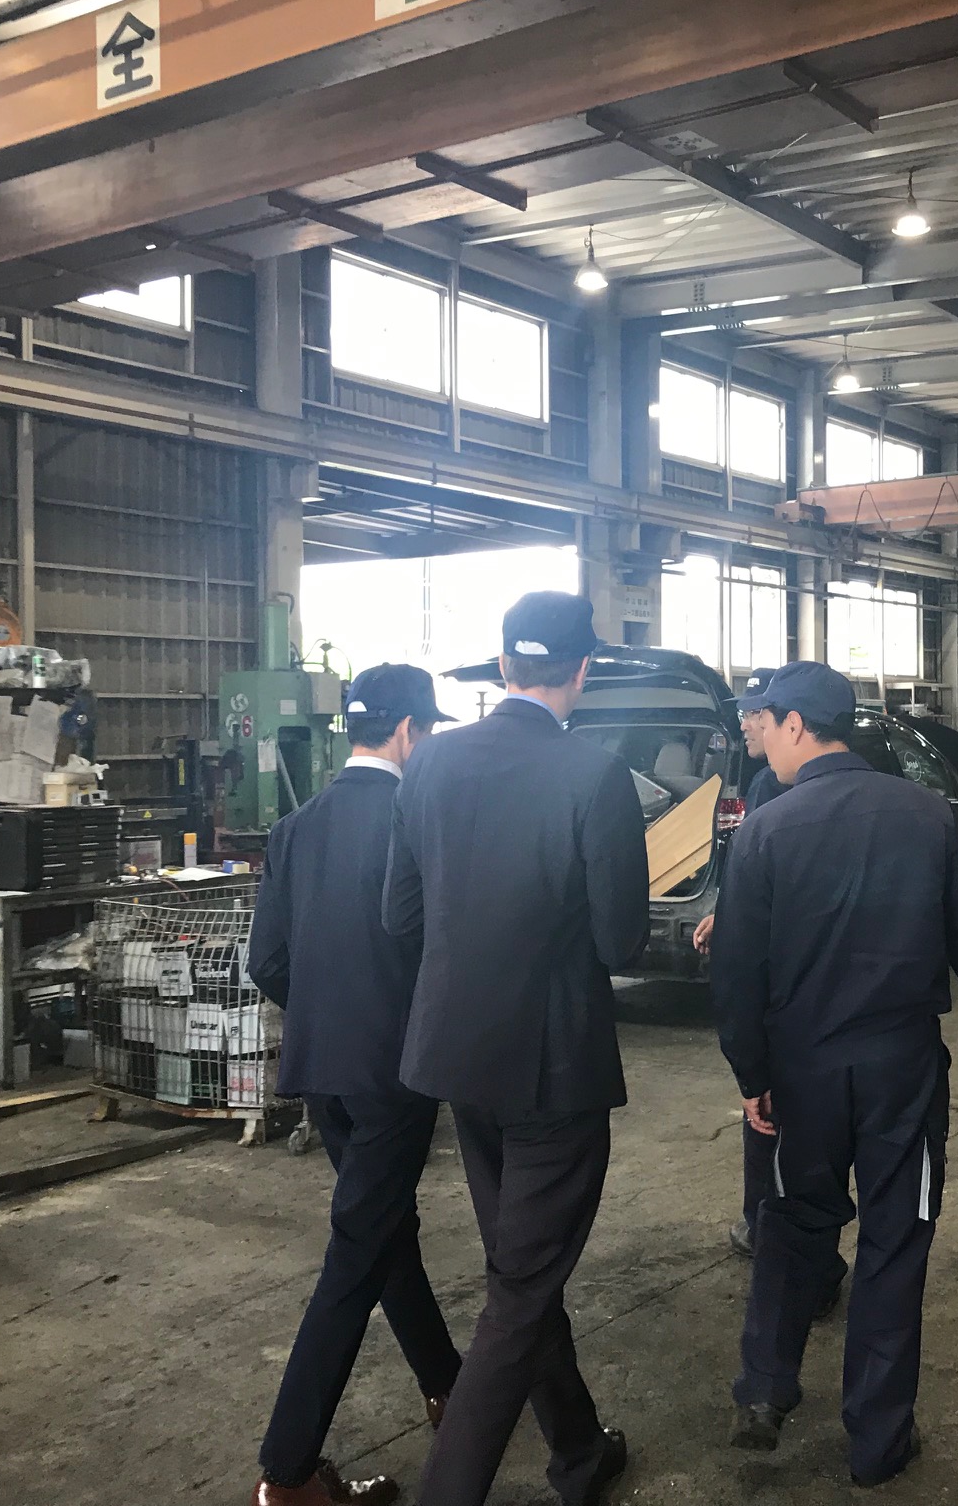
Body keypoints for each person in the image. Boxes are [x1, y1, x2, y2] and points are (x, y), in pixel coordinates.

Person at [709, 660, 958, 1488]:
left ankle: (764, 1390)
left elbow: (737, 971)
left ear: (796, 725)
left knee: (792, 1219)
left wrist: (751, 1073)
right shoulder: (926, 815)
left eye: (765, 722)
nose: (760, 738)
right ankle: (878, 1441)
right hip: (899, 1068)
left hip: (803, 1067)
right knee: (894, 1237)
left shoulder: (767, 830)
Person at [385, 592, 646, 1506]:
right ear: (584, 670)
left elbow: (401, 915)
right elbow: (620, 942)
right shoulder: (595, 776)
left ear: (502, 667)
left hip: (459, 1058)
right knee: (519, 1293)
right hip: (552, 1068)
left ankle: (577, 1450)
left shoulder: (430, 762)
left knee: (523, 1272)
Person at [245, 664, 463, 1506]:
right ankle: (289, 1470)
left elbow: (267, 960)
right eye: (429, 730)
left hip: (321, 1071)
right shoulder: (419, 822)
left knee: (384, 1229)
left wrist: (325, 1015)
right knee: (356, 1253)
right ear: (409, 731)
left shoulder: (295, 827)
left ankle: (448, 1386)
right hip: (393, 1074)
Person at [692, 668, 793, 1261]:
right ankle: (761, 1218)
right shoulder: (761, 783)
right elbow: (750, 876)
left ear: (789, 722)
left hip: (782, 982)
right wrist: (726, 913)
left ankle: (775, 1231)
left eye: (756, 712)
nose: (745, 723)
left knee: (771, 1105)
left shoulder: (788, 789)